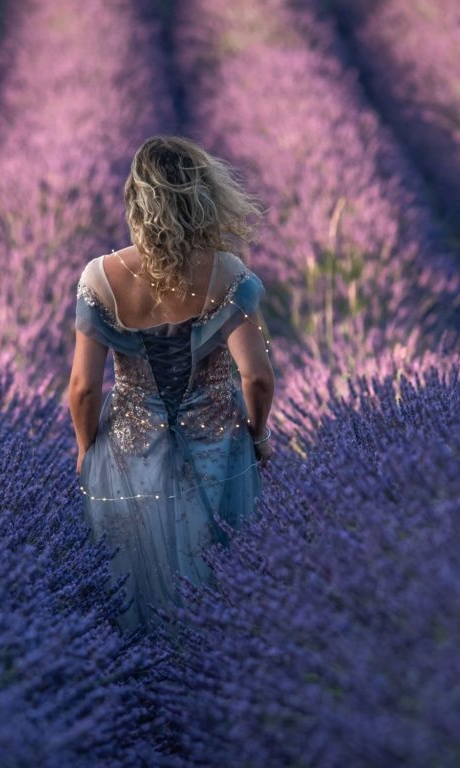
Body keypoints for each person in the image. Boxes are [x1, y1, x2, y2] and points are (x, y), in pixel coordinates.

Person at [67, 135, 275, 634]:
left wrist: (84, 446)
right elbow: (258, 376)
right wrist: (259, 434)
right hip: (217, 447)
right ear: (201, 196)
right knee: (220, 572)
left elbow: (82, 389)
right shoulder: (227, 272)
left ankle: (139, 681)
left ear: (134, 202)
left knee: (132, 578)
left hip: (127, 451)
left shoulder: (100, 278)